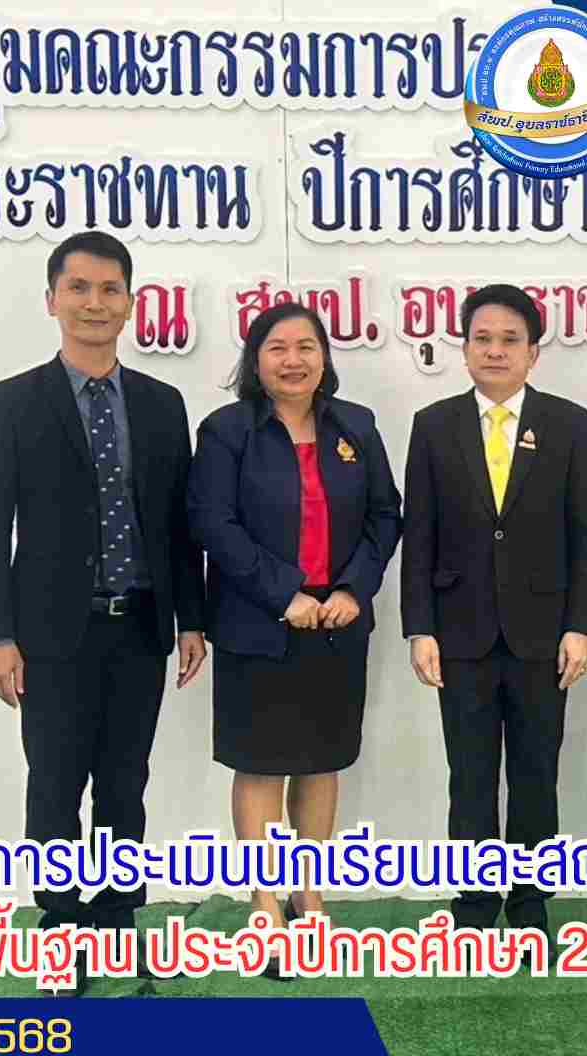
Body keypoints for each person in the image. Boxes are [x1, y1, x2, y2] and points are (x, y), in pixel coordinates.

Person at [0, 231, 207, 994]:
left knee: (123, 785)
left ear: (131, 304)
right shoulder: (13, 402)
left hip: (139, 626)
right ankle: (61, 930)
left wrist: (191, 618)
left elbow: (178, 525)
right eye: (79, 288)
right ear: (52, 300)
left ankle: (112, 926)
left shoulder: (162, 404)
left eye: (110, 290)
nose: (95, 303)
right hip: (48, 636)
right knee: (54, 782)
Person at [187, 302, 400, 973]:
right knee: (260, 764)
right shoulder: (226, 431)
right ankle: (265, 904)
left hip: (336, 624)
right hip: (257, 624)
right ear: (256, 360)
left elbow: (385, 515)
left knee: (319, 761)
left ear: (324, 357)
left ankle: (311, 897)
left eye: (306, 346)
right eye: (277, 347)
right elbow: (212, 523)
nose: (293, 360)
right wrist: (285, 593)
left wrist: (351, 590)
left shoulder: (356, 426)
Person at [400, 283, 587, 947]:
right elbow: (419, 534)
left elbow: (585, 533)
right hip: (459, 633)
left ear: (533, 352)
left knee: (537, 773)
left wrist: (580, 625)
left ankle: (530, 900)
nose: (495, 350)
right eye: (482, 338)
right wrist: (420, 627)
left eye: (510, 339)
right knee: (471, 776)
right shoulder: (434, 425)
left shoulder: (568, 423)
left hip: (544, 634)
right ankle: (474, 901)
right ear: (464, 350)